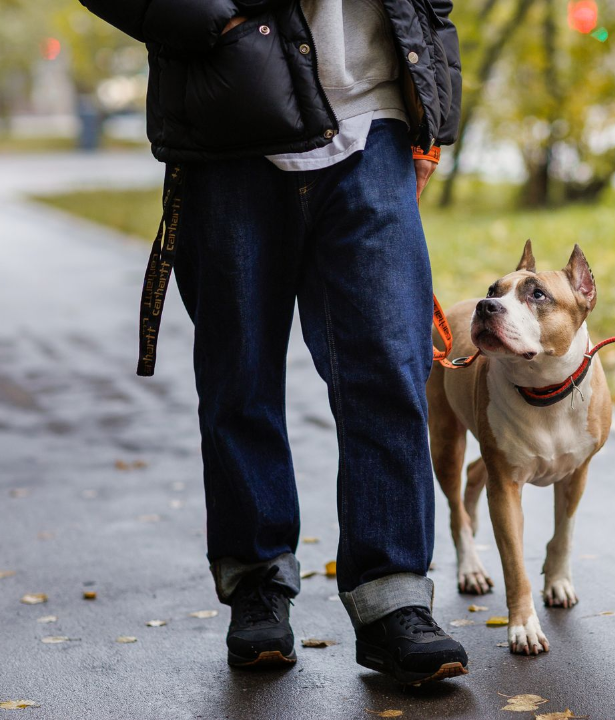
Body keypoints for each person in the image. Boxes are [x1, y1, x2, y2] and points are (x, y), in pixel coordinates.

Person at [79, 0, 468, 685]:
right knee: (241, 374)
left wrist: (429, 103)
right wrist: (202, 15)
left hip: (373, 121)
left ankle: (393, 597)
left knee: (389, 368)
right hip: (230, 129)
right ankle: (257, 584)